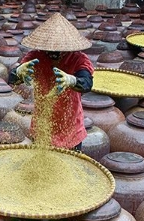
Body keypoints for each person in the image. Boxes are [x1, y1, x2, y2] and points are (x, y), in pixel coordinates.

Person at [9, 12, 94, 151]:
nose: (53, 53)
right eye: (49, 49)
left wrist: (71, 80)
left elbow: (87, 83)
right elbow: (13, 79)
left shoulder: (79, 59)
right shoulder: (36, 56)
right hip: (42, 126)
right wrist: (18, 72)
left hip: (71, 128)